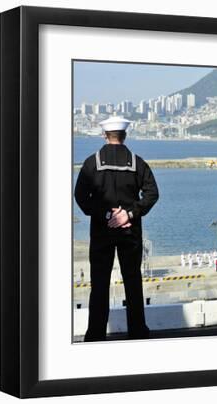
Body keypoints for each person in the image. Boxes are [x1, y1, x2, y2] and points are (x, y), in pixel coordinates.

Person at [74, 116, 159, 341]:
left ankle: (95, 335)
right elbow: (152, 194)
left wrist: (105, 214)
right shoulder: (137, 162)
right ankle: (138, 332)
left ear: (104, 135)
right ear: (125, 135)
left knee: (99, 284)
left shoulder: (92, 163)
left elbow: (80, 196)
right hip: (130, 231)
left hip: (102, 232)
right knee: (133, 282)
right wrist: (128, 214)